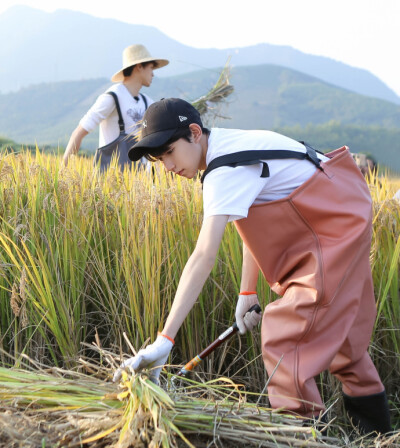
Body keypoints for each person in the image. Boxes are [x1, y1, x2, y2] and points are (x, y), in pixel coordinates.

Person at [113, 98, 391, 436]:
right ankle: (381, 439)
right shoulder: (230, 146)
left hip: (329, 230)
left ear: (195, 133)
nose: (167, 166)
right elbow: (254, 219)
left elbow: (203, 255)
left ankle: (302, 439)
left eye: (169, 152)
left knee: (284, 339)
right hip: (343, 212)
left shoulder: (223, 170)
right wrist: (247, 291)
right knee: (346, 344)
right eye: (159, 160)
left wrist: (165, 339)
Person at [62, 44, 169, 168]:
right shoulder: (113, 97)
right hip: (112, 176)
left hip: (140, 178)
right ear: (139, 67)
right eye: (151, 68)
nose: (153, 74)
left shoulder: (147, 102)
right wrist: (64, 170)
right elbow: (79, 132)